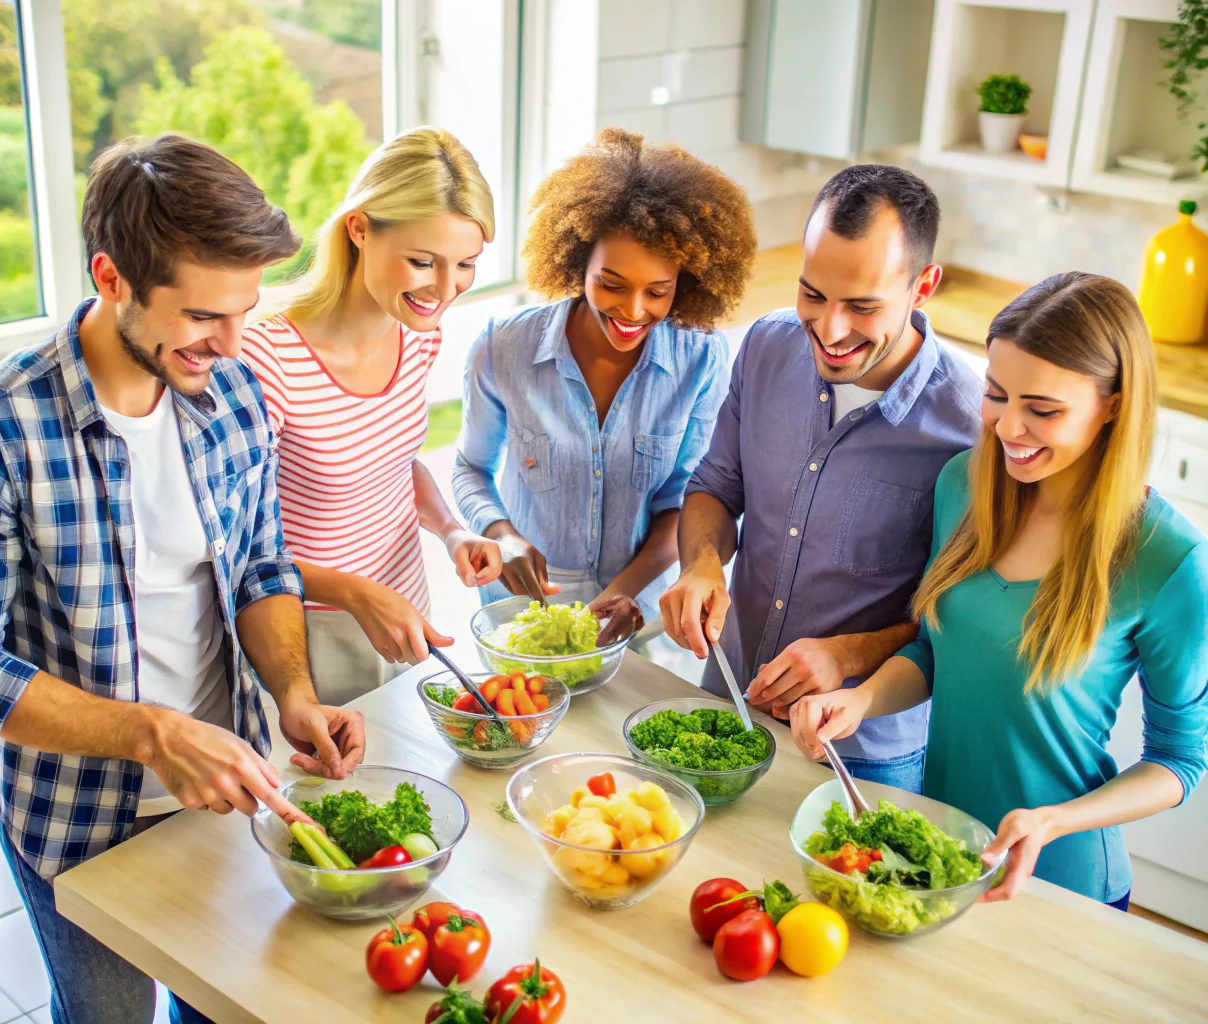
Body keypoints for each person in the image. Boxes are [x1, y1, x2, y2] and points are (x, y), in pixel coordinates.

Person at [0, 135, 366, 1024]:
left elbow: (260, 566)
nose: (233, 343)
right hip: (76, 813)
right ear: (113, 276)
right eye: (204, 315)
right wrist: (152, 735)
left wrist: (293, 691)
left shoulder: (234, 394)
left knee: (221, 1007)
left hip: (231, 791)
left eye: (245, 310)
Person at [790, 272, 1208, 907]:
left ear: (1114, 404)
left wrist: (1052, 820)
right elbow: (939, 650)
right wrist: (860, 700)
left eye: (1043, 410)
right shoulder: (965, 484)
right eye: (995, 394)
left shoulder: (1169, 559)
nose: (1008, 428)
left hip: (1061, 880)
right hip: (941, 851)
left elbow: (1179, 763)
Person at [660, 164, 982, 792]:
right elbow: (716, 486)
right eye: (813, 294)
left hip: (860, 751)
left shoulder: (970, 428)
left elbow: (958, 618)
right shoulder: (765, 347)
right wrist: (700, 564)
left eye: (863, 306)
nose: (831, 331)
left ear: (924, 286)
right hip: (727, 702)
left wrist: (848, 654)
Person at [452, 127, 755, 639]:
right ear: (578, 260)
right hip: (520, 614)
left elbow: (683, 499)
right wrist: (503, 538)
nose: (634, 312)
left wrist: (626, 590)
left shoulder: (700, 359)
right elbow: (469, 469)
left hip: (641, 615)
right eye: (610, 284)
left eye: (657, 292)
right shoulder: (504, 346)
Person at [240, 127, 502, 707]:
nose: (444, 288)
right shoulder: (267, 359)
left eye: (465, 264)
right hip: (311, 631)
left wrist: (453, 530)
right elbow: (236, 547)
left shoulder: (417, 337)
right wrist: (357, 595)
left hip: (405, 606)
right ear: (359, 229)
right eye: (421, 261)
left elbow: (393, 464)